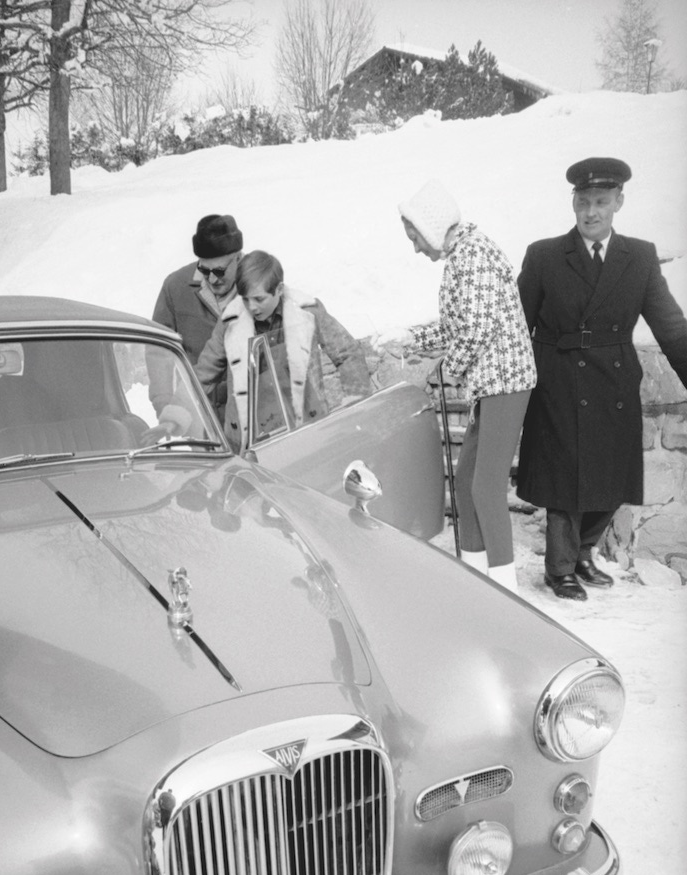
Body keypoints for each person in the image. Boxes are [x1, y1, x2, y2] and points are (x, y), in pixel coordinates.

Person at [516, 156, 687, 601]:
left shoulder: (640, 257)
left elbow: (671, 325)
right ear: (573, 203)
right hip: (558, 378)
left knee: (613, 478)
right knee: (565, 479)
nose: (591, 212)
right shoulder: (545, 255)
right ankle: (559, 568)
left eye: (601, 202)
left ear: (618, 203)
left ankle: (582, 554)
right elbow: (518, 325)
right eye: (583, 202)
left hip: (613, 380)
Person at [399, 178, 537, 593]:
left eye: (416, 238)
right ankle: (477, 576)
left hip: (506, 382)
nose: (416, 248)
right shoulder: (461, 254)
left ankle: (504, 586)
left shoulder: (473, 255)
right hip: (491, 384)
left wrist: (446, 369)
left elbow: (476, 331)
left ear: (434, 227)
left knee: (486, 485)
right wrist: (414, 340)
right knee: (465, 482)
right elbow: (457, 325)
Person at [194, 250, 372, 450]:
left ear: (278, 289)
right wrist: (176, 416)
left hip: (306, 428)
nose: (251, 307)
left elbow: (348, 353)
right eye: (245, 299)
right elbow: (203, 376)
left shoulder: (306, 311)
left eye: (259, 299)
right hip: (251, 441)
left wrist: (356, 403)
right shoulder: (230, 321)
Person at [152, 214, 244, 416]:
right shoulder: (175, 287)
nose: (212, 278)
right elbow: (158, 351)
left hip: (251, 416)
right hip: (199, 415)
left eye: (220, 271)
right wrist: (164, 404)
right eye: (204, 270)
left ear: (239, 258)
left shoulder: (259, 288)